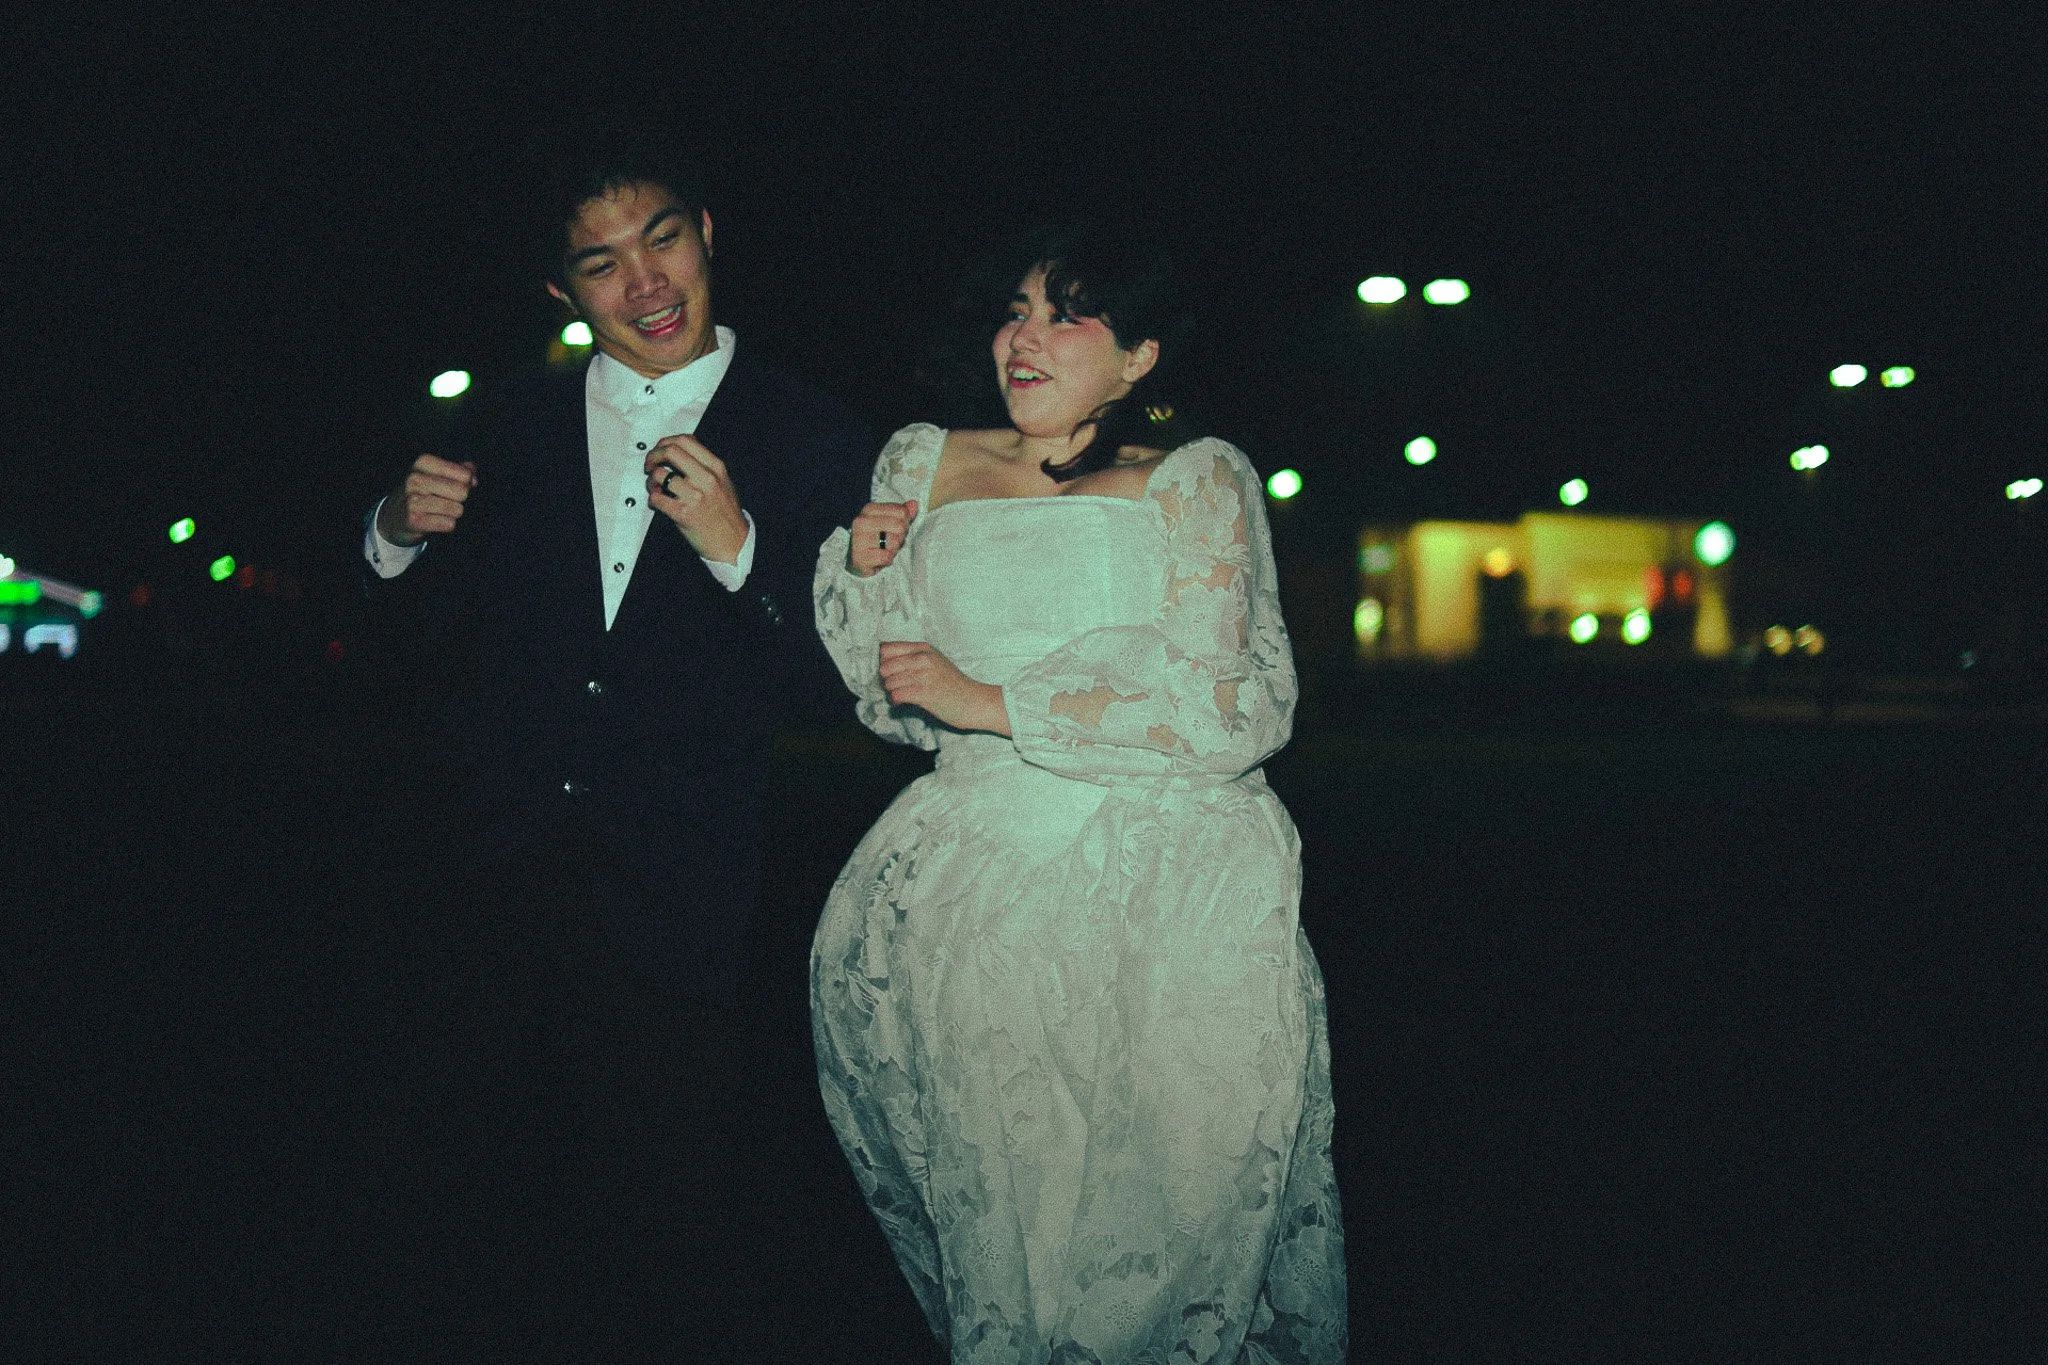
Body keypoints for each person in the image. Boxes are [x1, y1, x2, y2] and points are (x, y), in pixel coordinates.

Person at [360, 145, 872, 1350]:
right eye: (601, 265)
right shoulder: (503, 420)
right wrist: (392, 533)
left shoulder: (815, 432)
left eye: (662, 241)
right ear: (562, 291)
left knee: (667, 1232)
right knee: (466, 1225)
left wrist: (738, 548)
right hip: (486, 883)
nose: (644, 283)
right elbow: (404, 650)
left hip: (693, 900)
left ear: (706, 232)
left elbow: (843, 683)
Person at [810, 228, 1348, 1363]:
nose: (1026, 337)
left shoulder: (1197, 476)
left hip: (1171, 895)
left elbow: (1232, 709)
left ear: (1139, 356)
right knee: (1013, 1230)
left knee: (1168, 1230)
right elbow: (889, 699)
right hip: (975, 900)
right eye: (1016, 310)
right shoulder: (922, 460)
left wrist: (991, 700)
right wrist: (865, 573)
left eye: (1068, 315)